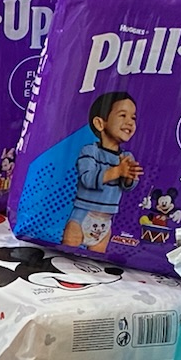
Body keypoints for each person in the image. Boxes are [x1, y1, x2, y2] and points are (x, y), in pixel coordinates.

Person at [62, 91, 141, 253]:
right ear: (100, 123)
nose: (129, 122)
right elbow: (88, 179)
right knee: (67, 253)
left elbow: (128, 186)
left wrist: (128, 177)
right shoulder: (90, 151)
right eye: (122, 115)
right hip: (82, 216)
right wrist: (117, 171)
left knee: (96, 258)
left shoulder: (126, 157)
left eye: (133, 118)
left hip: (106, 220)